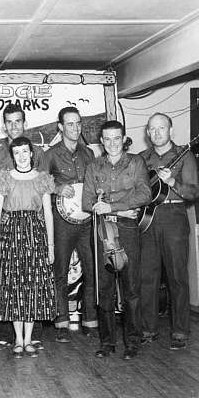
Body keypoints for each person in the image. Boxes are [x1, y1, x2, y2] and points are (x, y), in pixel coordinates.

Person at [82, 121, 151, 360]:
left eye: (116, 138)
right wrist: (120, 209)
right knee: (105, 289)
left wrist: (113, 207)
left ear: (124, 139)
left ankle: (132, 342)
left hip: (128, 229)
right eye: (107, 139)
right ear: (101, 141)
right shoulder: (93, 166)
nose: (112, 143)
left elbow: (145, 194)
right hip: (101, 231)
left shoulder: (136, 162)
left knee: (131, 288)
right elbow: (85, 202)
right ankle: (107, 342)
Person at [139, 113, 199, 350]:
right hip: (148, 219)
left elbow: (194, 192)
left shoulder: (185, 156)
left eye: (161, 128)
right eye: (152, 129)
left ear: (171, 131)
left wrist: (173, 183)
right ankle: (148, 329)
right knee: (147, 277)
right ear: (147, 133)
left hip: (174, 217)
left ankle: (180, 331)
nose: (156, 133)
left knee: (177, 277)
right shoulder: (143, 158)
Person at [0, 137, 56, 358]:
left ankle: (29, 339)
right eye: (16, 152)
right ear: (13, 155)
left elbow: (48, 214)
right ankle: (18, 339)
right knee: (14, 287)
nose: (21, 156)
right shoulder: (5, 178)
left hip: (35, 236)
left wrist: (50, 246)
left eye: (24, 151)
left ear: (31, 154)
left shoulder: (42, 179)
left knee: (32, 287)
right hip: (11, 237)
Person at [0, 103, 46, 350]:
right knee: (7, 279)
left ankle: (32, 336)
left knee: (32, 280)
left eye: (17, 121)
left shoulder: (38, 153)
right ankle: (6, 334)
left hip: (32, 227)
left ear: (24, 123)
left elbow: (40, 189)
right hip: (6, 224)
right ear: (4, 126)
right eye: (9, 122)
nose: (13, 126)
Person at [43, 107, 98, 343]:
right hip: (61, 221)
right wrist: (57, 188)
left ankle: (89, 320)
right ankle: (62, 322)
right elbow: (40, 182)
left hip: (86, 220)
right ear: (60, 127)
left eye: (78, 124)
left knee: (91, 269)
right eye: (70, 124)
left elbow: (96, 182)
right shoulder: (51, 154)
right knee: (60, 272)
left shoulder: (88, 154)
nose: (75, 128)